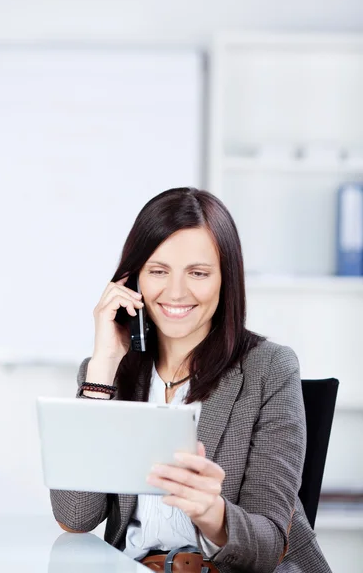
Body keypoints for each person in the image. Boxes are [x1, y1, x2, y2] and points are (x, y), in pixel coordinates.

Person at [50, 187, 331, 573]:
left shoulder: (270, 369)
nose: (177, 292)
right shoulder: (108, 373)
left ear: (225, 280)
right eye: (158, 271)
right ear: (132, 282)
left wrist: (212, 513)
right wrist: (101, 369)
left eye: (198, 273)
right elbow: (75, 517)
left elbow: (268, 546)